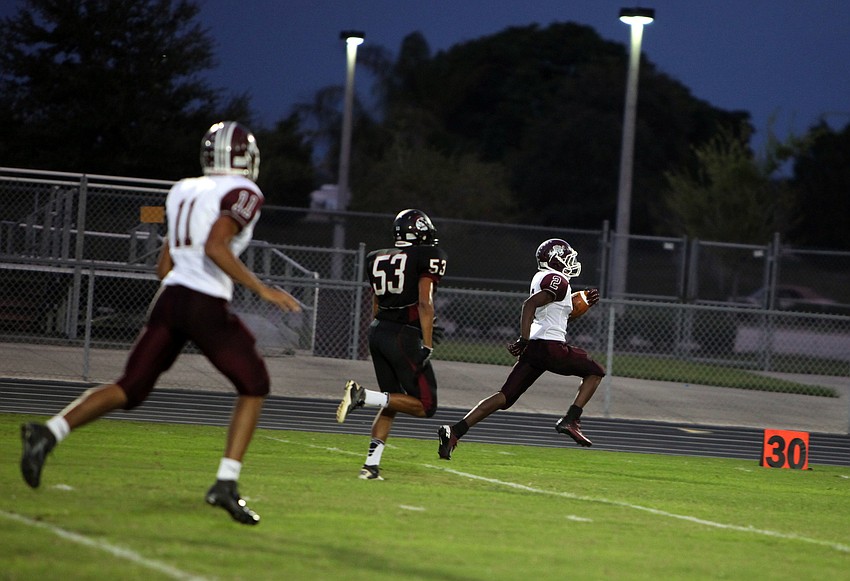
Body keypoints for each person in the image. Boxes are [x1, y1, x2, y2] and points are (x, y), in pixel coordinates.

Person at [19, 121, 300, 525]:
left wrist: (185, 294)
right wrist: (262, 289)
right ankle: (225, 483)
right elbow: (216, 245)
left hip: (169, 300)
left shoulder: (183, 188)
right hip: (203, 302)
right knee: (255, 385)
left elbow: (163, 265)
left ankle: (49, 433)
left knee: (129, 387)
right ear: (245, 157)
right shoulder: (244, 192)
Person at [437, 238, 605, 460]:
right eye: (566, 257)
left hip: (537, 346)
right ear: (555, 260)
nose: (570, 261)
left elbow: (554, 318)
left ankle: (455, 431)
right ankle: (571, 419)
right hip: (549, 346)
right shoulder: (558, 280)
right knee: (596, 371)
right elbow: (529, 305)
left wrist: (578, 307)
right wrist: (522, 339)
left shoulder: (543, 278)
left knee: (504, 398)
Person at [336, 209, 448, 480]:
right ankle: (363, 396)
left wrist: (388, 328)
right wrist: (428, 342)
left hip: (379, 331)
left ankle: (370, 467)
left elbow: (376, 302)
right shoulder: (427, 256)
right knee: (425, 405)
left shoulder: (376, 256)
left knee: (393, 401)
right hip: (402, 335)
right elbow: (425, 302)